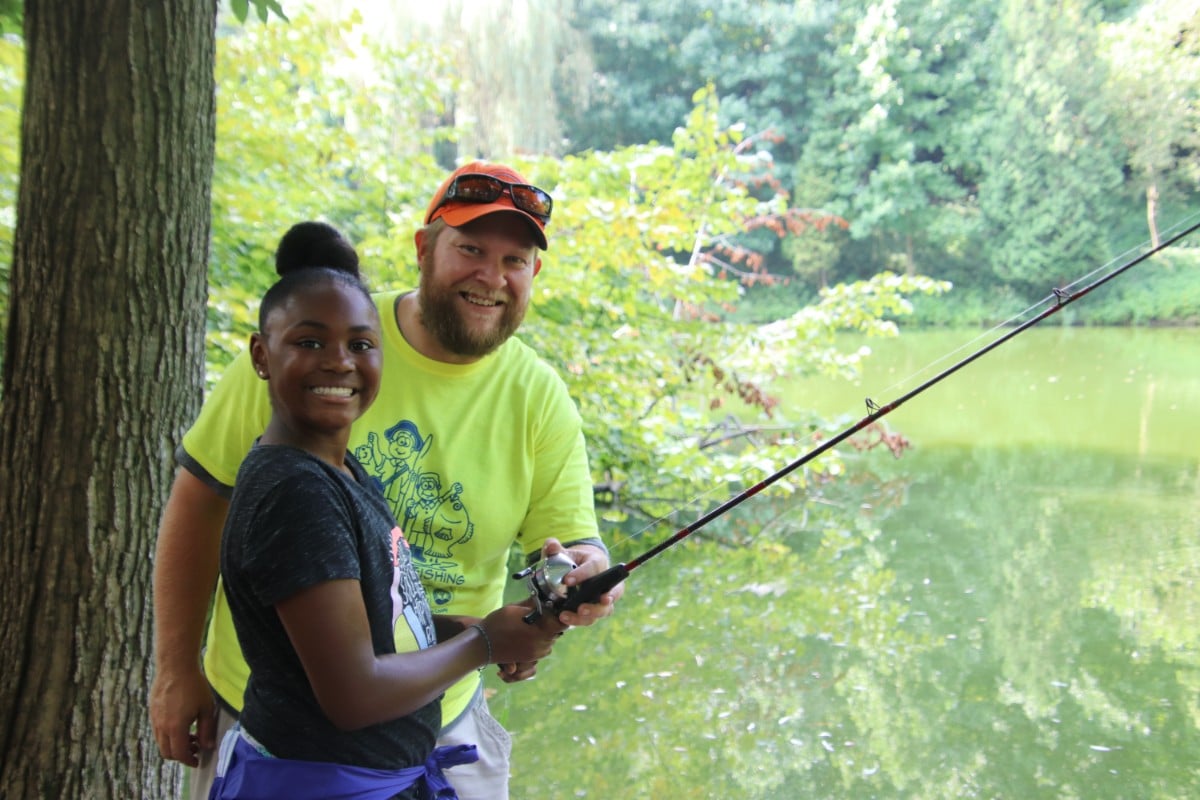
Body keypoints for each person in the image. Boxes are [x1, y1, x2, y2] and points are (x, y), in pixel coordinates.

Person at [151, 163, 621, 800]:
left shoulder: (538, 395)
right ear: (425, 249)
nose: (491, 276)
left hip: (437, 725)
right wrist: (176, 668)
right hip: (281, 742)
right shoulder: (321, 334)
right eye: (472, 249)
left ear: (533, 274)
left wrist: (580, 573)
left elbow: (569, 542)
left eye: (514, 259)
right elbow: (203, 496)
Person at [211, 255, 560, 799]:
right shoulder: (296, 493)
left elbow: (366, 625)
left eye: (360, 345)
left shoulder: (339, 469)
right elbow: (354, 694)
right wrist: (485, 644)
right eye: (309, 342)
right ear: (261, 355)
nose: (338, 363)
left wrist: (466, 626)